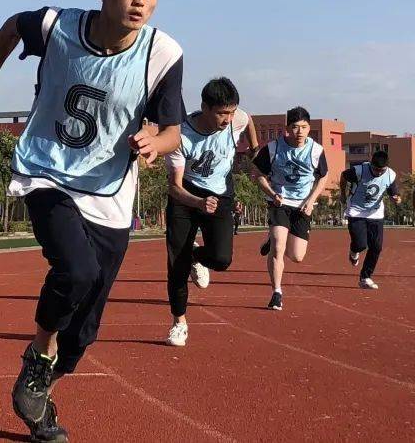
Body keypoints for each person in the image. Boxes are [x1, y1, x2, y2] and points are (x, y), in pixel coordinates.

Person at [0, 0, 184, 443]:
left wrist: (155, 139)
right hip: (45, 169)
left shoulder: (162, 53)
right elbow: (11, 26)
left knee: (84, 333)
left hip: (110, 192)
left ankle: (41, 398)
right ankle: (36, 357)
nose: (140, 1)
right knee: (75, 269)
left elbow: (173, 129)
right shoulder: (56, 25)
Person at [164, 77, 258, 346]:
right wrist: (197, 202)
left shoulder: (237, 119)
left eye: (231, 112)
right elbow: (174, 187)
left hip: (221, 192)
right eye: (221, 113)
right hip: (186, 196)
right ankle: (179, 322)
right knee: (176, 265)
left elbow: (248, 119)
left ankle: (195, 256)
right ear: (204, 107)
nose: (228, 119)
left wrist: (254, 149)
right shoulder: (180, 136)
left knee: (221, 259)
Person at [253, 107, 328, 310]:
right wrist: (272, 194)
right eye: (295, 127)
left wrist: (311, 200)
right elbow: (257, 173)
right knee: (278, 247)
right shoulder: (273, 148)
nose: (300, 132)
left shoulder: (316, 150)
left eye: (304, 127)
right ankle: (276, 292)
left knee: (297, 256)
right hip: (280, 202)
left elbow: (323, 176)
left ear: (309, 128)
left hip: (302, 206)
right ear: (287, 128)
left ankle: (272, 237)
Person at [341, 150, 400, 290]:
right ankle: (354, 251)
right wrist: (342, 194)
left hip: (376, 213)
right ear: (370, 164)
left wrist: (396, 199)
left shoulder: (390, 175)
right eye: (375, 169)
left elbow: (394, 193)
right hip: (356, 211)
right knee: (361, 245)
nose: (378, 172)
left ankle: (365, 277)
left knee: (376, 247)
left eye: (382, 170)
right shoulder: (359, 170)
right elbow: (343, 176)